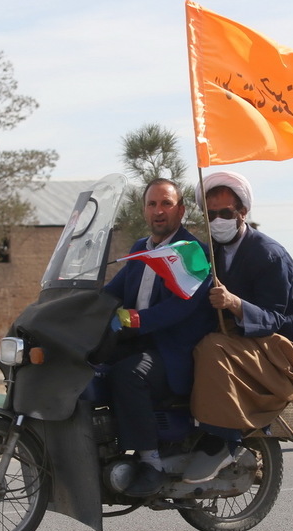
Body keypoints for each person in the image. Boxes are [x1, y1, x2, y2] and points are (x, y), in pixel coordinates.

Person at [185, 170, 293, 483]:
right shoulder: (209, 251)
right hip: (236, 341)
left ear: (243, 213)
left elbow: (278, 320)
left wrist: (235, 304)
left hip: (275, 350)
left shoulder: (269, 255)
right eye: (210, 215)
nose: (217, 221)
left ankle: (223, 437)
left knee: (211, 348)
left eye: (225, 213)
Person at [103, 178, 215, 497]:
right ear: (144, 210)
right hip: (137, 340)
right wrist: (79, 304)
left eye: (166, 203)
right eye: (152, 204)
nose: (158, 211)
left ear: (180, 209)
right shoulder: (141, 248)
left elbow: (181, 307)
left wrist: (135, 320)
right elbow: (115, 290)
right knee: (87, 362)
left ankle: (152, 463)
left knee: (128, 375)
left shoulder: (192, 252)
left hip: (173, 350)